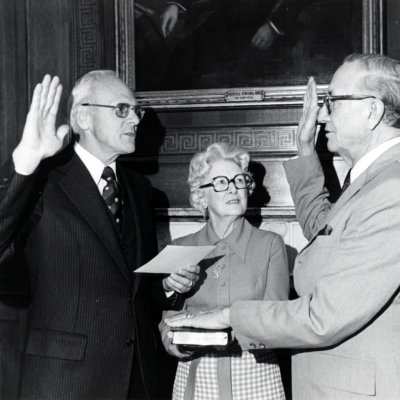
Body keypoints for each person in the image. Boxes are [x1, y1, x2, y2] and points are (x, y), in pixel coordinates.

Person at [166, 53, 400, 400]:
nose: (321, 114)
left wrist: (228, 316)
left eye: (332, 102)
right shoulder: (371, 179)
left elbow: (324, 317)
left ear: (372, 110)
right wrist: (305, 149)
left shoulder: (391, 189)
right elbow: (325, 228)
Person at [0, 71, 199, 400]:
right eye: (122, 109)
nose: (135, 118)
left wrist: (165, 285)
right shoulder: (43, 178)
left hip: (137, 379)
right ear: (83, 116)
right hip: (67, 381)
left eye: (137, 110)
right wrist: (25, 162)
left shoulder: (139, 189)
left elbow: (134, 284)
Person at [160, 142, 289, 400]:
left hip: (256, 377)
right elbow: (167, 321)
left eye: (239, 181)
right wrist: (174, 344)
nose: (233, 189)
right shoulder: (180, 247)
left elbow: (278, 321)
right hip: (195, 376)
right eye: (220, 182)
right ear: (201, 195)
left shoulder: (270, 245)